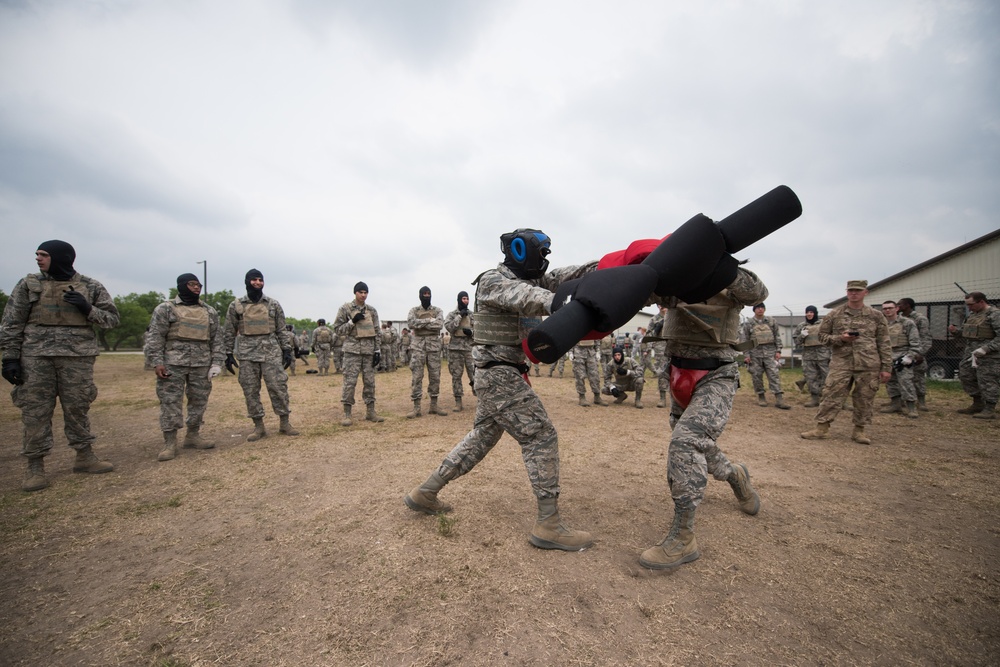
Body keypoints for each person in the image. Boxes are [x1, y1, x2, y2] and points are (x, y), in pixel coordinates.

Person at [404, 228, 596, 551]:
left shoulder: (529, 280)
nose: (546, 262)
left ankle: (426, 491)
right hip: (498, 376)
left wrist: (605, 268)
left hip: (500, 375)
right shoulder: (494, 281)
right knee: (540, 434)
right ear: (521, 251)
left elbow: (565, 277)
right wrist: (562, 303)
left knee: (481, 438)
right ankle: (548, 523)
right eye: (542, 255)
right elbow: (525, 298)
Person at [639, 266, 764, 570]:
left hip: (716, 375)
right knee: (697, 443)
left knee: (686, 442)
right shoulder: (677, 280)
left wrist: (720, 268)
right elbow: (644, 290)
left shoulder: (731, 277)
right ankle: (734, 474)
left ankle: (684, 537)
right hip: (679, 373)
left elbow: (758, 292)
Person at [1, 240, 118, 492]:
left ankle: (84, 456)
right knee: (35, 411)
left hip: (77, 358)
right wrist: (10, 358)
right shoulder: (28, 285)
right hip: (36, 358)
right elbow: (11, 323)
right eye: (37, 254)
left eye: (43, 255)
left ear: (61, 257)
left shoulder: (90, 286)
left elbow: (111, 319)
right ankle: (35, 467)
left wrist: (87, 308)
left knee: (78, 407)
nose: (38, 259)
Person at [801, 280, 892, 445]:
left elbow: (884, 342)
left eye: (857, 290)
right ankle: (822, 428)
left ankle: (859, 430)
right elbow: (822, 337)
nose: (854, 293)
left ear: (865, 292)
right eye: (850, 291)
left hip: (868, 364)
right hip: (841, 362)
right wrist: (841, 338)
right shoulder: (834, 314)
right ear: (847, 292)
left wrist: (886, 367)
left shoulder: (876, 316)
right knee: (831, 394)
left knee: (864, 397)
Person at [144, 273, 224, 461]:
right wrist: (157, 362)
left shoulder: (209, 311)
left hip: (201, 364)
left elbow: (217, 339)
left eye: (198, 285)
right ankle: (170, 442)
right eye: (191, 284)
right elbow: (155, 337)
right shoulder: (166, 309)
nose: (196, 288)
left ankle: (193, 435)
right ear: (181, 286)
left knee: (199, 400)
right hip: (173, 364)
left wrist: (217, 362)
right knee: (171, 402)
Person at [223, 269, 299, 441]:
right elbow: (229, 331)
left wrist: (286, 350)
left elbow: (281, 329)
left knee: (278, 387)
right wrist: (228, 353)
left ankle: (284, 423)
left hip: (271, 353)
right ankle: (258, 427)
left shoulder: (273, 304)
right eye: (254, 280)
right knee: (250, 390)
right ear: (247, 282)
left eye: (260, 280)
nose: (257, 283)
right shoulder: (237, 305)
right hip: (247, 355)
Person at [334, 281, 384, 426]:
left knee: (369, 382)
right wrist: (351, 322)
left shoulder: (372, 311)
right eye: (360, 292)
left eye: (365, 292)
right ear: (355, 293)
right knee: (350, 382)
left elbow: (377, 331)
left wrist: (377, 350)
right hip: (352, 351)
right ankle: (347, 413)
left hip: (368, 351)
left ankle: (370, 412)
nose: (363, 295)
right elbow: (337, 329)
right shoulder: (346, 309)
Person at [949, 291, 1000, 419]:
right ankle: (978, 402)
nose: (969, 308)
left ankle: (989, 408)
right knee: (965, 375)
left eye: (971, 304)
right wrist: (956, 332)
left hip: (989, 355)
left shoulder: (994, 314)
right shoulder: (973, 315)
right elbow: (969, 332)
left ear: (981, 302)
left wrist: (986, 348)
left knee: (987, 380)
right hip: (971, 353)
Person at [406, 286, 448, 418]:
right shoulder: (414, 310)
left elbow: (439, 325)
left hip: (434, 348)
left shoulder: (437, 310)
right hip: (418, 347)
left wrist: (421, 323)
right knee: (417, 376)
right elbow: (411, 323)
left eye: (428, 294)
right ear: (420, 295)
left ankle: (434, 405)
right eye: (424, 294)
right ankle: (416, 407)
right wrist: (429, 320)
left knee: (435, 376)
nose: (426, 296)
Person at [741, 303, 790, 409]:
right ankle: (761, 396)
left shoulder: (771, 322)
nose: (760, 309)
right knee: (757, 376)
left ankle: (779, 398)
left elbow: (777, 336)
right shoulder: (748, 323)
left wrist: (778, 351)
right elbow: (745, 340)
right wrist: (746, 355)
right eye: (758, 308)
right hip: (755, 354)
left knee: (774, 375)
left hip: (770, 353)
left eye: (762, 307)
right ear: (754, 310)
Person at [879, 300, 922, 419]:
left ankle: (911, 407)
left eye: (890, 308)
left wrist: (910, 356)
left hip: (902, 357)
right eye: (885, 308)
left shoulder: (907, 323)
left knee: (906, 381)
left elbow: (915, 343)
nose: (887, 310)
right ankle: (895, 404)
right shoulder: (882, 324)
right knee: (890, 381)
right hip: (887, 356)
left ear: (896, 308)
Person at [897, 298, 932, 411]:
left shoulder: (920, 319)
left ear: (907, 305)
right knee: (902, 378)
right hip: (901, 352)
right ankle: (900, 401)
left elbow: (925, 338)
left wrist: (920, 354)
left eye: (900, 304)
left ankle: (921, 402)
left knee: (918, 378)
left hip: (915, 352)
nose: (898, 306)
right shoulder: (899, 319)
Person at [792, 306, 831, 407]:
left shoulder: (823, 324)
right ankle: (815, 398)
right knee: (810, 377)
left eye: (811, 312)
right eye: (807, 312)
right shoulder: (802, 326)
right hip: (808, 355)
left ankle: (827, 398)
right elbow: (796, 341)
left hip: (823, 354)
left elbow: (830, 338)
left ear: (815, 313)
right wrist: (802, 336)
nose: (809, 314)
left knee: (826, 377)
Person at [444, 291, 476, 412]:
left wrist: (472, 333)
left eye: (467, 299)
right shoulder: (452, 315)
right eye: (463, 298)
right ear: (459, 300)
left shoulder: (472, 315)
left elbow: (479, 330)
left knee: (474, 375)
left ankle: (480, 398)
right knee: (456, 376)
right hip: (455, 350)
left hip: (469, 349)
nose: (465, 301)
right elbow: (450, 327)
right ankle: (458, 402)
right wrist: (459, 316)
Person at [646, 305, 670, 408]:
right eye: (661, 305)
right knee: (662, 372)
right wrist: (648, 348)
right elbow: (648, 334)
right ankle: (662, 398)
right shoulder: (654, 319)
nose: (663, 307)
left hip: (675, 347)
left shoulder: (674, 317)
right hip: (661, 349)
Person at [572, 338, 606, 407]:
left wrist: (598, 351)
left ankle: (597, 396)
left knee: (595, 375)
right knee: (580, 376)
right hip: (578, 352)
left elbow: (596, 337)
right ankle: (582, 397)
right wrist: (570, 352)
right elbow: (571, 338)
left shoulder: (592, 327)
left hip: (591, 352)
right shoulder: (575, 327)